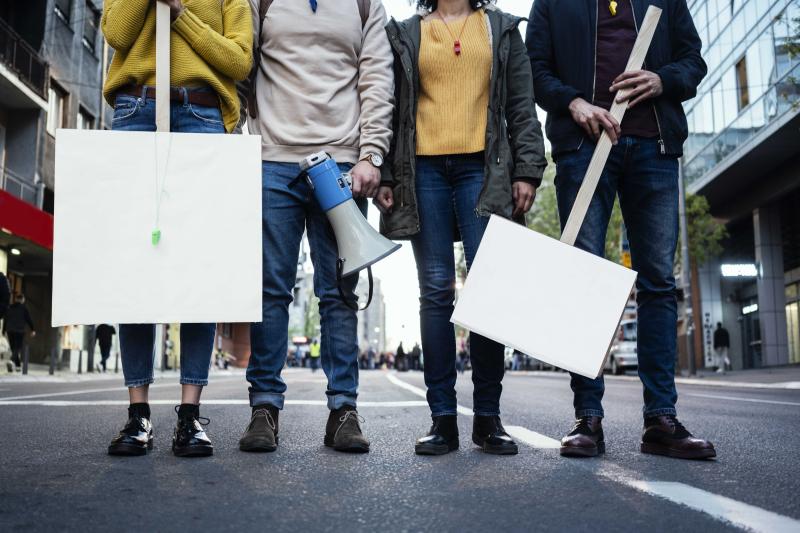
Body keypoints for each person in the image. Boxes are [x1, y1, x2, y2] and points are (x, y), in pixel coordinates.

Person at [528, 0, 715, 460]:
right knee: (584, 280)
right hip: (583, 149)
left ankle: (661, 420)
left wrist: (662, 79)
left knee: (657, 283)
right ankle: (587, 417)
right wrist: (573, 103)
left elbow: (694, 60)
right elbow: (534, 68)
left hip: (654, 147)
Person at [378, 0, 546, 456]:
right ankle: (443, 420)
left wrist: (527, 170)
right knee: (435, 291)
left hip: (484, 169)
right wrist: (389, 174)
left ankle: (488, 418)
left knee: (488, 292)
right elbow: (393, 111)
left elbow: (521, 105)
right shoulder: (407, 33)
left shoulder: (499, 29)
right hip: (424, 172)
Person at [239, 0, 393, 455]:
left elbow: (377, 81)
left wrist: (372, 154)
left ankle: (343, 409)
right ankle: (264, 407)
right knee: (271, 290)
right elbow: (240, 66)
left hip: (343, 165)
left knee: (338, 294)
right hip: (272, 161)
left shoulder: (367, 6)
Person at [101, 0, 253, 457]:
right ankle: (138, 412)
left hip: (203, 114)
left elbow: (239, 60)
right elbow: (117, 34)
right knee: (136, 267)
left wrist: (181, 12)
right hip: (135, 111)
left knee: (197, 269)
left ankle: (190, 414)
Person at [3, 294, 35, 372]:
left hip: (9, 330)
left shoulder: (10, 307)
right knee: (17, 348)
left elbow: (6, 319)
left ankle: (18, 366)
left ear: (16, 299)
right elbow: (29, 319)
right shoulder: (24, 308)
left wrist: (3, 331)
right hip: (19, 330)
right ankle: (11, 361)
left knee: (13, 348)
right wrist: (33, 329)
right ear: (22, 299)